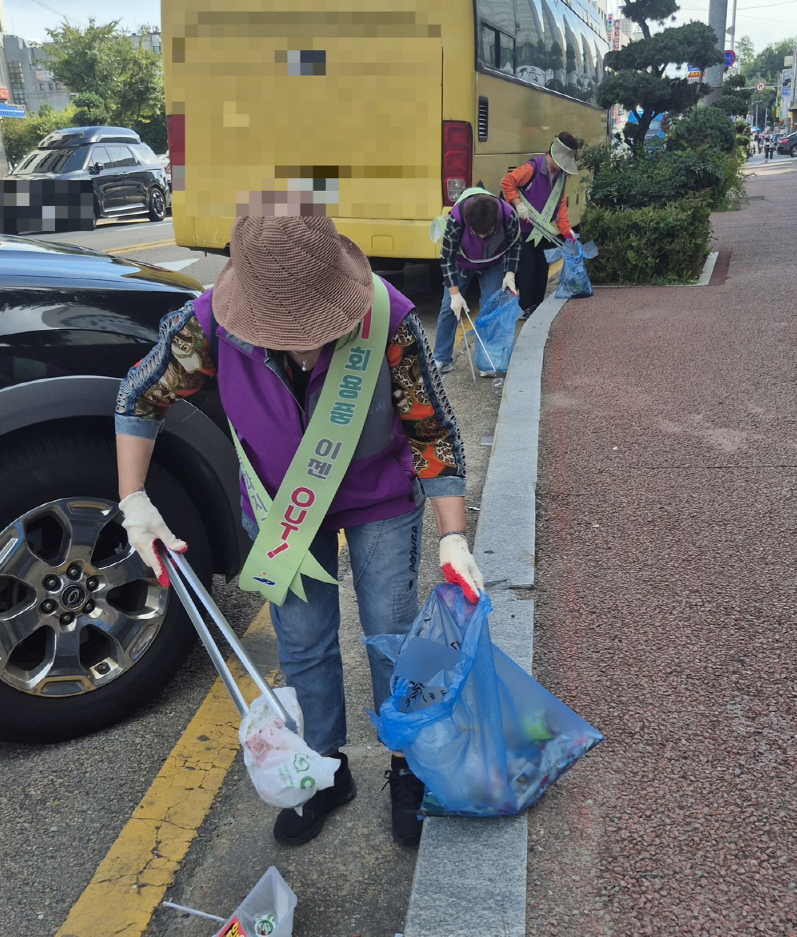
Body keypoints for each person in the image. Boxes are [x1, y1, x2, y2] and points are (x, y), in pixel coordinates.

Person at [114, 212, 483, 848]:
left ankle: (406, 765)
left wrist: (454, 536)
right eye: (287, 335)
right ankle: (324, 765)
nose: (306, 347)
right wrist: (134, 499)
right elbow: (138, 396)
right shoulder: (207, 325)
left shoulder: (388, 318)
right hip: (279, 503)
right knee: (305, 641)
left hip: (379, 496)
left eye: (320, 330)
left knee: (390, 634)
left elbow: (433, 432)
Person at [433, 188, 522, 373]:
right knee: (449, 307)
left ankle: (488, 360)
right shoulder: (456, 220)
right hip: (461, 263)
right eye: (477, 233)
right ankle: (441, 358)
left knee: (491, 308)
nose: (482, 237)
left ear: (496, 223)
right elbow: (447, 258)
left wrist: (510, 274)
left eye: (488, 233)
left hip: (494, 262)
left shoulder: (508, 215)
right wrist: (455, 294)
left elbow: (515, 245)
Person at [500, 133, 581, 318]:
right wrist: (518, 204)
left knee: (542, 269)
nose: (562, 168)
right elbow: (507, 182)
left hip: (542, 231)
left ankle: (536, 306)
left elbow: (560, 204)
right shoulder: (531, 168)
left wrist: (566, 230)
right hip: (523, 230)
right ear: (552, 154)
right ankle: (524, 308)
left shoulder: (561, 176)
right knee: (527, 270)